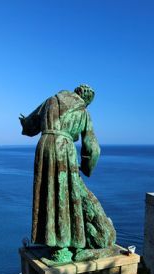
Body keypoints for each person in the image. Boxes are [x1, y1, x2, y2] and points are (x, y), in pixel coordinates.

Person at [20, 85, 116, 263]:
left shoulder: (51, 100)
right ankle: (63, 245)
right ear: (86, 99)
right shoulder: (83, 111)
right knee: (65, 194)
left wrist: (27, 123)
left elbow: (29, 126)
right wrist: (86, 167)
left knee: (48, 193)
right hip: (64, 149)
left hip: (44, 147)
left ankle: (51, 240)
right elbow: (92, 147)